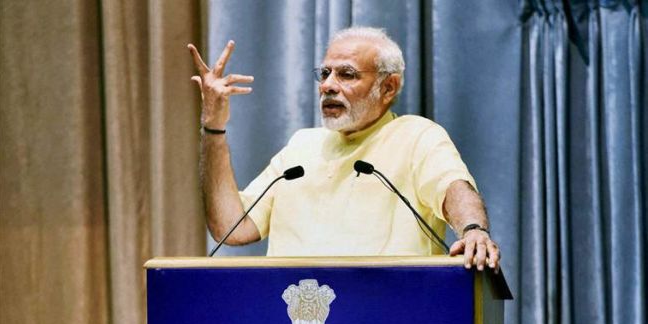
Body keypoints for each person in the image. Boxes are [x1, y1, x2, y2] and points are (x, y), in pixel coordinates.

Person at [188, 27, 500, 272]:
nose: (327, 85)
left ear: (388, 87)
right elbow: (231, 228)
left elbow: (454, 190)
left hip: (388, 318)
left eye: (346, 74)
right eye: (324, 74)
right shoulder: (301, 146)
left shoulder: (416, 135)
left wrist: (473, 229)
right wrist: (213, 126)